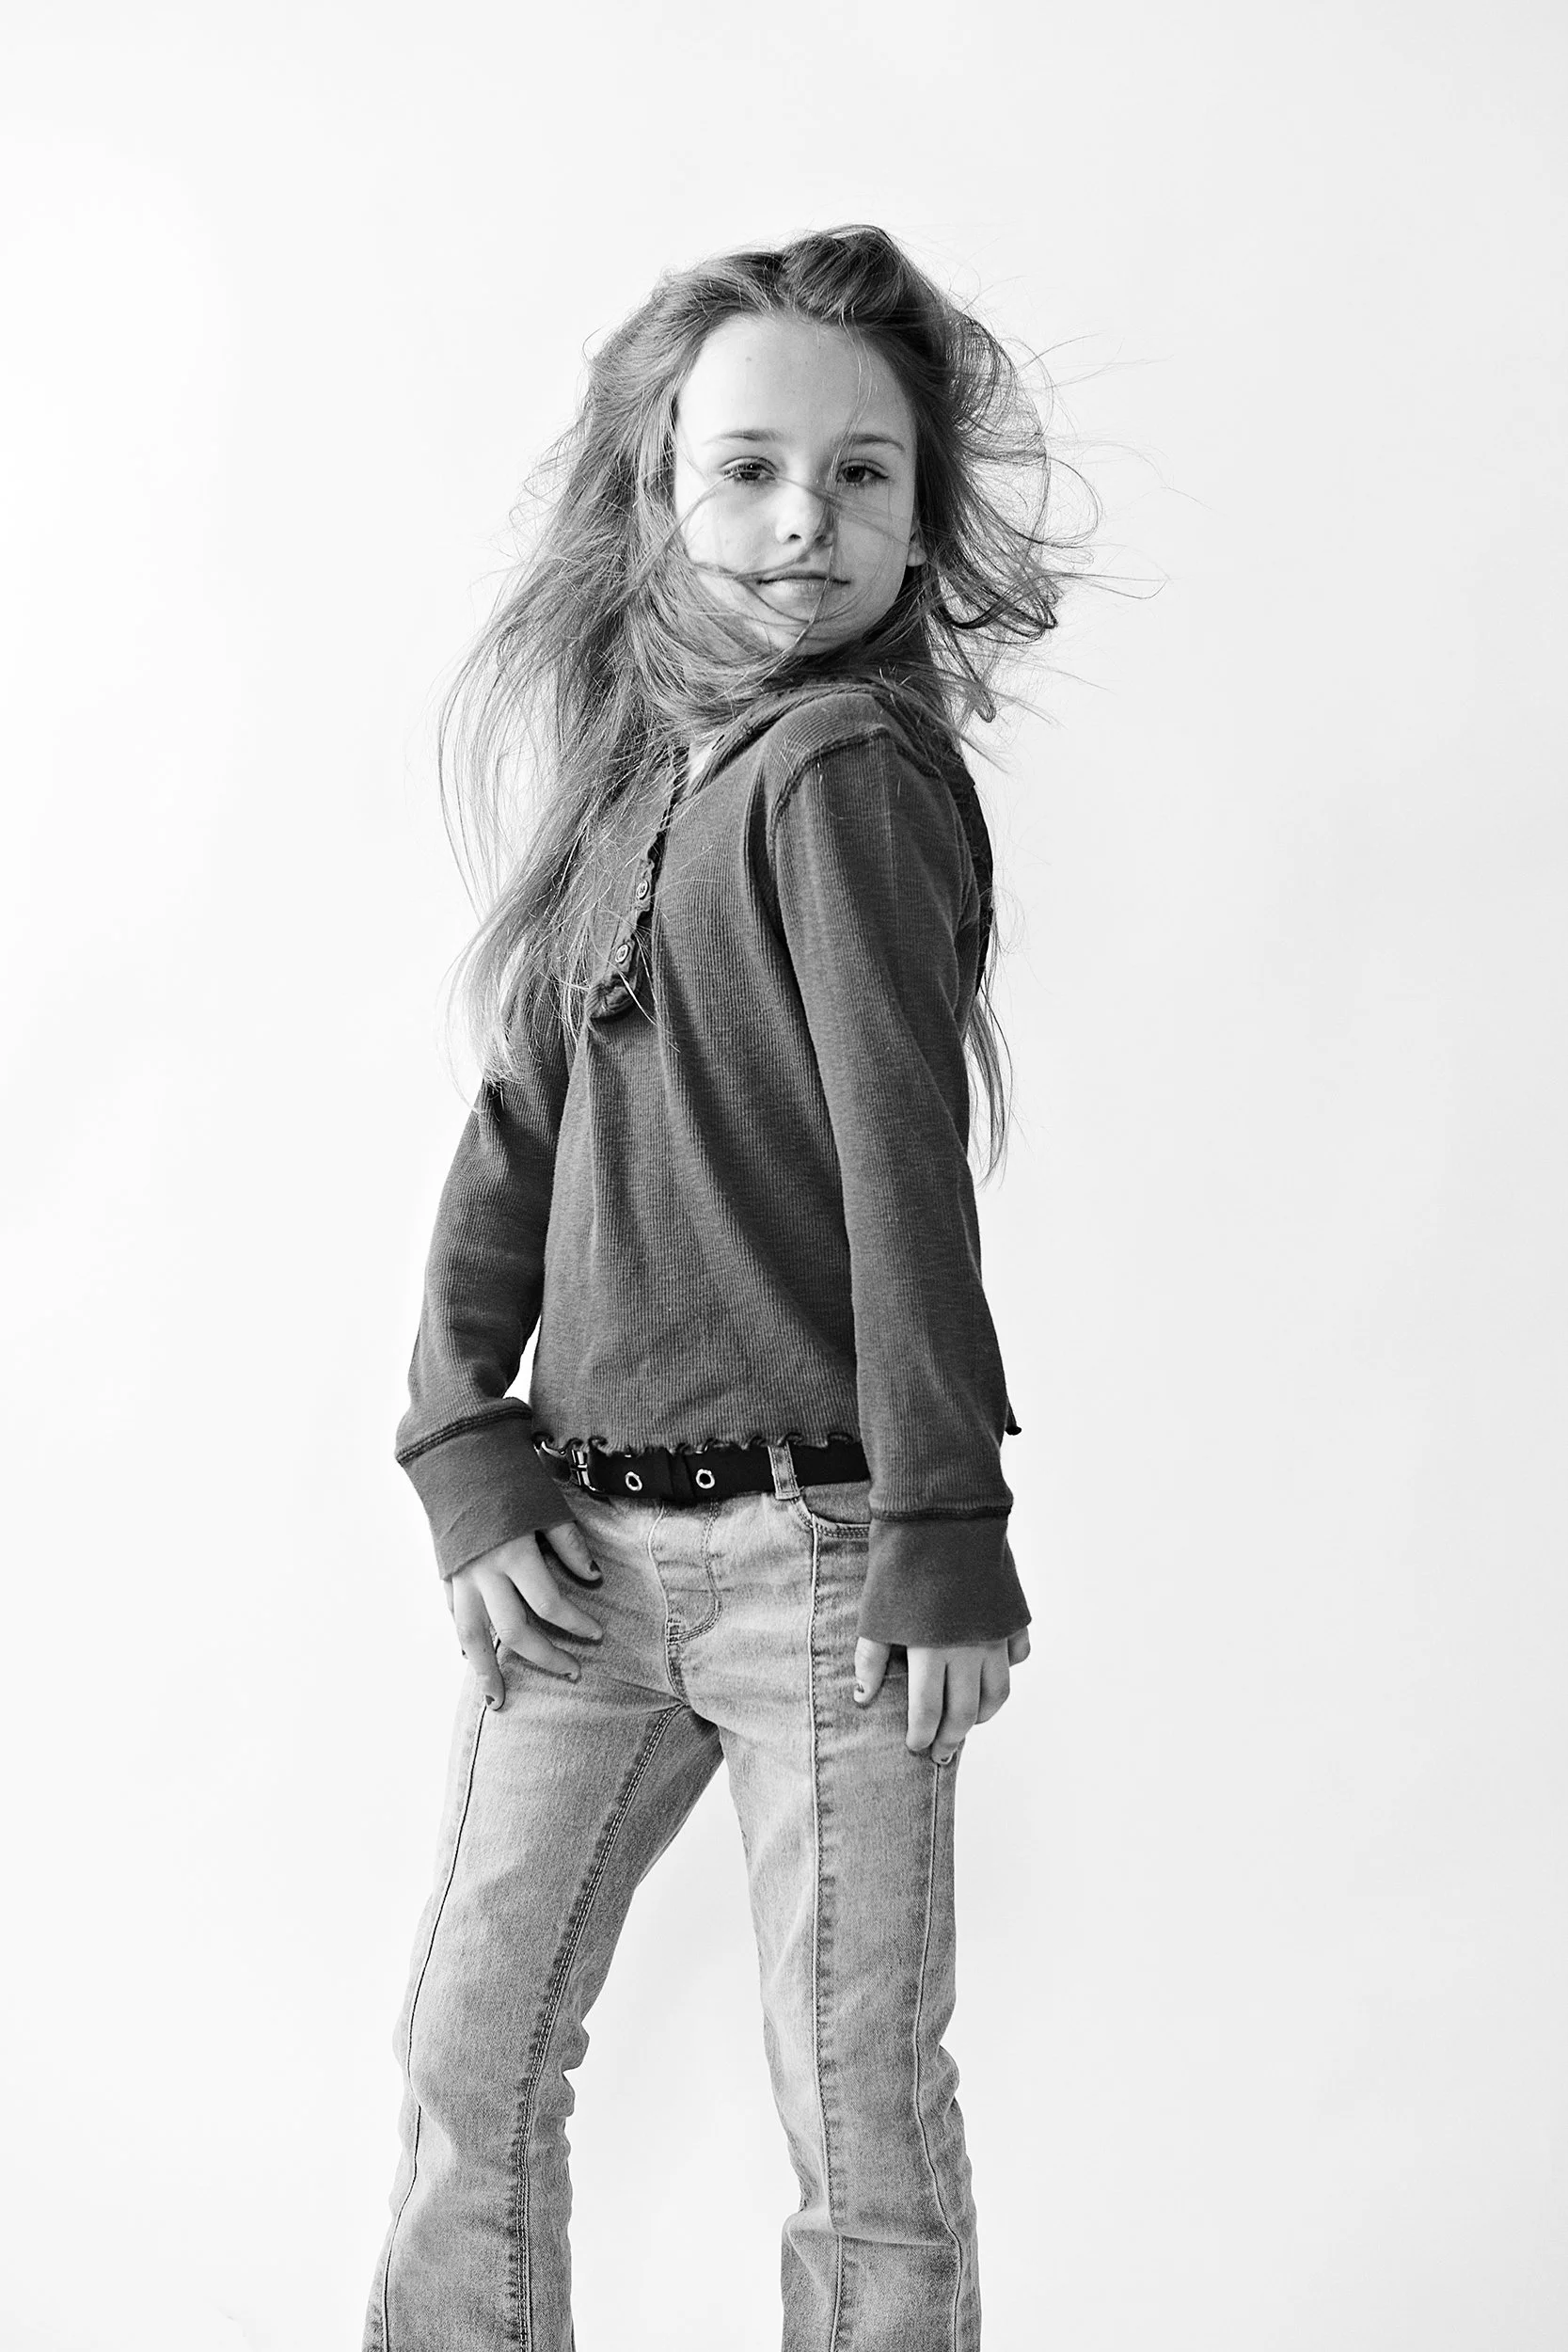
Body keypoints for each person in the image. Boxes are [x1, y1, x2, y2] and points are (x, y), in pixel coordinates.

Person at [364, 223, 1083, 2352]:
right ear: (656, 489)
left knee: (859, 2121)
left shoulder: (842, 773)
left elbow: (898, 1168)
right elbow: (516, 1126)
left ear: (920, 516)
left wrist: (943, 1523)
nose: (802, 522)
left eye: (862, 476)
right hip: (586, 1561)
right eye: (748, 470)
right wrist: (461, 1442)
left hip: (822, 1563)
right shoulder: (638, 785)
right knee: (468, 2056)